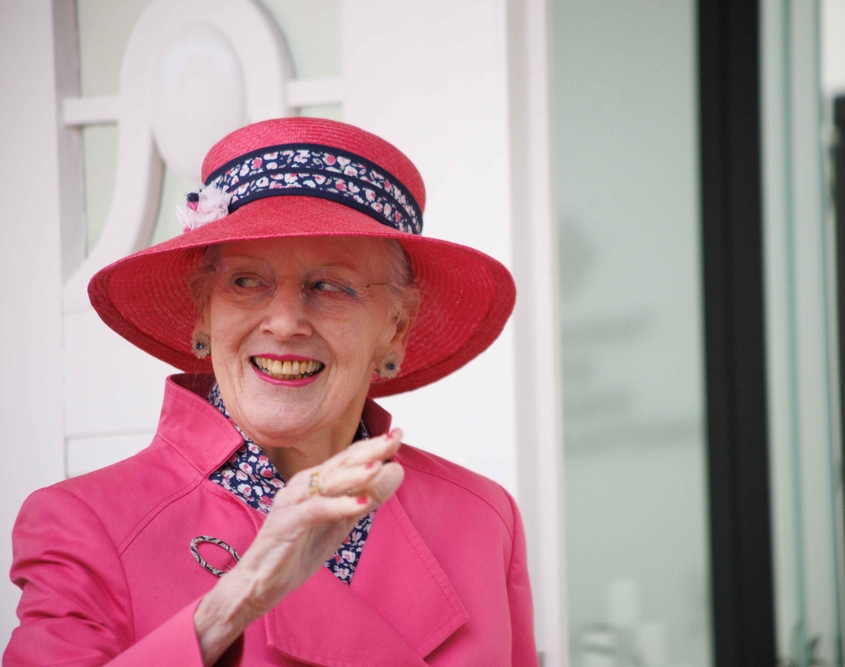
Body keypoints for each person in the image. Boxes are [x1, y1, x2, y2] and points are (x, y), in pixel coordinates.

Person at [4, 118, 536, 666]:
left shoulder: (482, 519)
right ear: (204, 313)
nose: (283, 323)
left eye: (330, 285)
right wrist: (235, 601)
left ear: (395, 330)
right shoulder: (84, 525)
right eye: (245, 281)